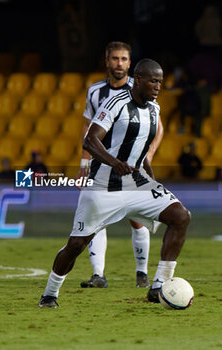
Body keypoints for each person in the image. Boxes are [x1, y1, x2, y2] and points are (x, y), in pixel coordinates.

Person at [39, 58, 191, 308]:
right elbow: (89, 140)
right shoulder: (115, 103)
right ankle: (49, 294)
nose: (158, 86)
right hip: (102, 186)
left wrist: (152, 181)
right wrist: (115, 162)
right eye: (153, 81)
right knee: (76, 244)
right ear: (138, 79)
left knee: (181, 216)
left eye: (161, 82)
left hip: (138, 184)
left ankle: (158, 286)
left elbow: (141, 152)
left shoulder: (155, 109)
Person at [77, 41, 164, 289]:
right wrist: (84, 161)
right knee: (97, 218)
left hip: (132, 167)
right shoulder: (95, 92)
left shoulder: (141, 89)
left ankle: (141, 273)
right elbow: (88, 127)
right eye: (114, 58)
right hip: (102, 166)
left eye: (124, 59)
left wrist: (147, 156)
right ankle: (98, 275)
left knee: (137, 219)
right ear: (107, 61)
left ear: (130, 64)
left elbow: (158, 127)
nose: (119, 63)